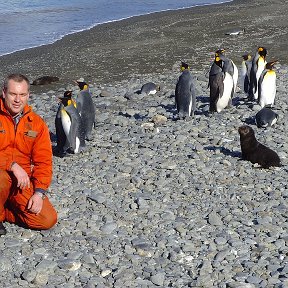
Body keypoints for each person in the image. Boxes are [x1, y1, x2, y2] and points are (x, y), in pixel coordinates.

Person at [0, 74, 57, 235]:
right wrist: (11, 164)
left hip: (22, 181)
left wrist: (39, 192)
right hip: (3, 174)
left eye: (22, 95)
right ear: (4, 93)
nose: (18, 100)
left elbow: (44, 161)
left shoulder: (36, 123)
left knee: (47, 220)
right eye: (13, 94)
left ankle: (5, 211)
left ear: (28, 95)